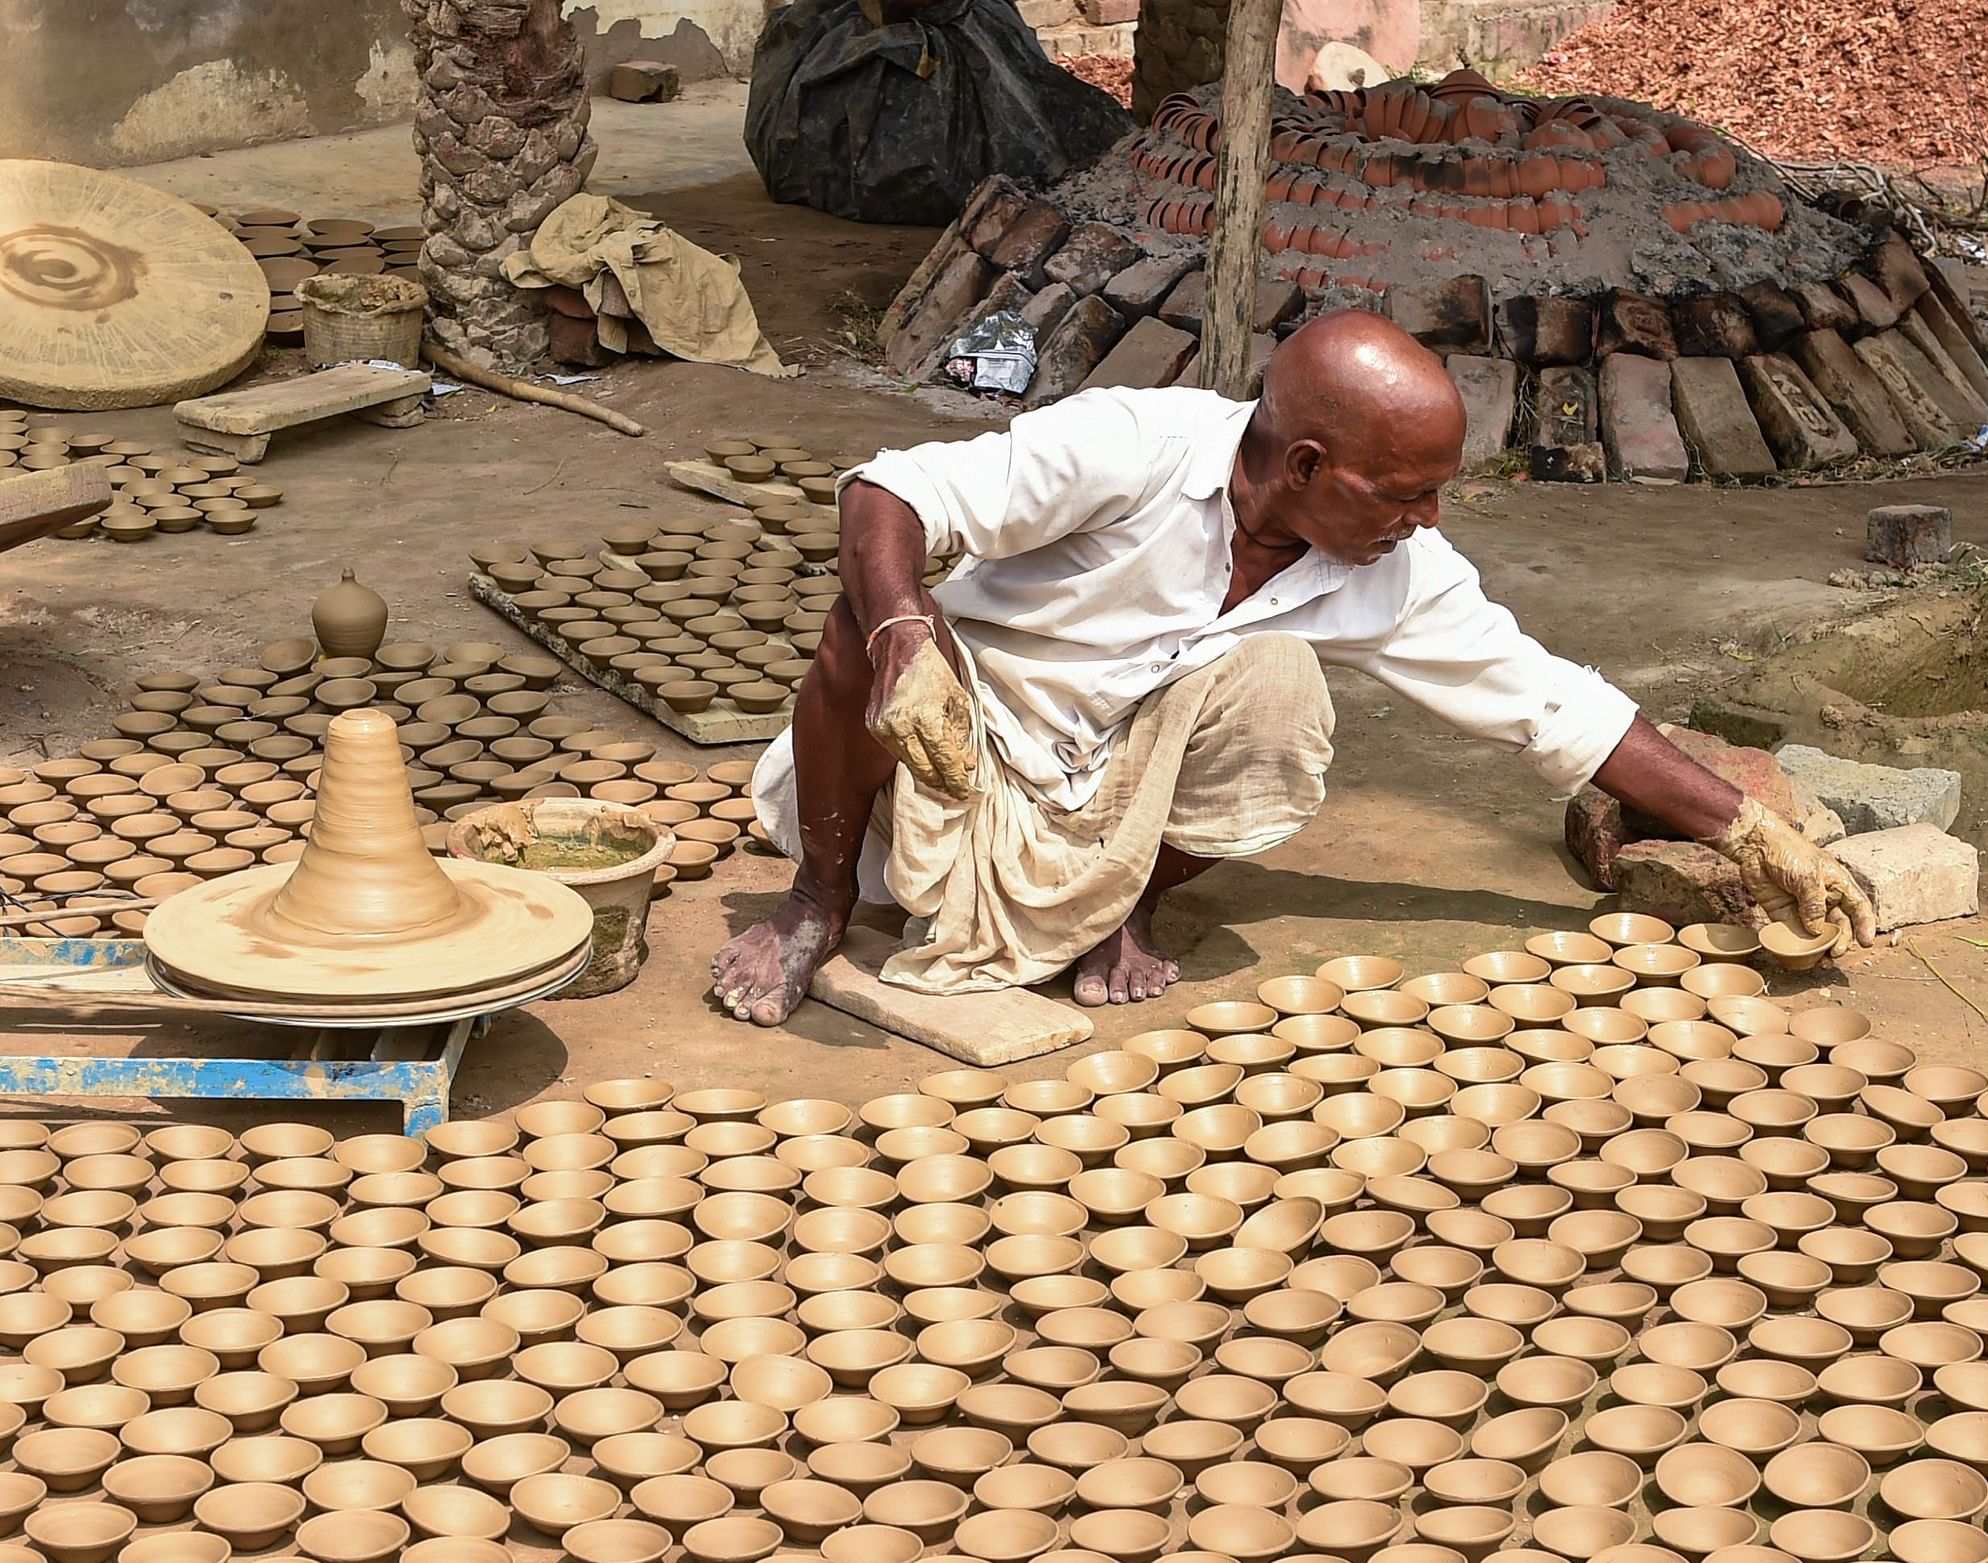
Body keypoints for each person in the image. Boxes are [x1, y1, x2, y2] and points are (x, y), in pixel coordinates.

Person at [709, 309, 1870, 1026]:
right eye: (1405, 491)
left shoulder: (1389, 568)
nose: (1427, 517)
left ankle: (1118, 906)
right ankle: (814, 906)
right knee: (857, 629)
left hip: (1098, 793)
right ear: (1306, 462)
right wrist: (905, 634)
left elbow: (1552, 705)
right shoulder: (1132, 445)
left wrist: (1751, 830)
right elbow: (888, 490)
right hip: (941, 765)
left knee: (1277, 687)